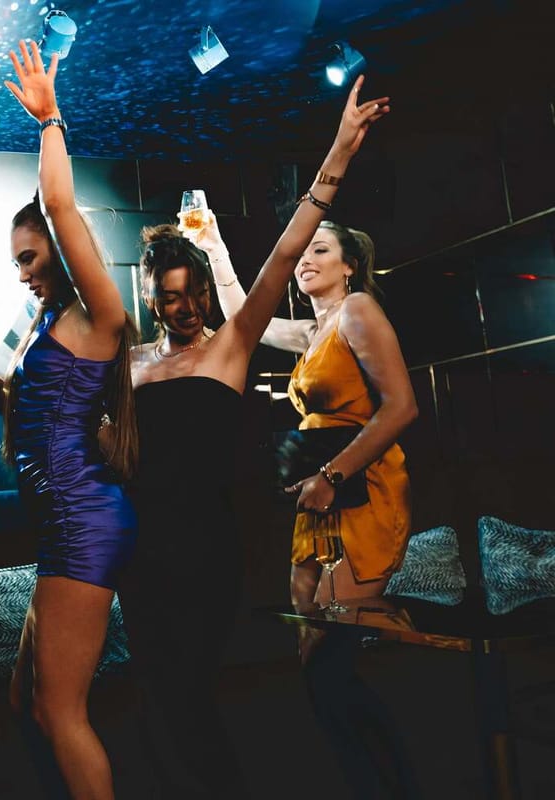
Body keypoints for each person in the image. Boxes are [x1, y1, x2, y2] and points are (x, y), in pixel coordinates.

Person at [115, 75, 390, 799]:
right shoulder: (132, 364)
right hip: (138, 550)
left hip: (206, 550)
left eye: (193, 294)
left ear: (207, 291)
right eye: (169, 297)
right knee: (153, 699)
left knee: (196, 697)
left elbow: (286, 248)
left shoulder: (230, 346)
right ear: (151, 298)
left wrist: (339, 151)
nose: (184, 308)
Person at [195, 79, 419, 798]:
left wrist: (334, 476)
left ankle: (397, 783)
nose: (305, 260)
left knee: (330, 660)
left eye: (319, 249)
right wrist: (214, 245)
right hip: (317, 502)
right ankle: (371, 781)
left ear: (349, 264)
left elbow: (402, 407)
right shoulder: (313, 329)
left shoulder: (357, 311)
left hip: (360, 494)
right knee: (311, 658)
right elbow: (245, 314)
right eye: (302, 253)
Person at [0, 41, 138, 799]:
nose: (22, 272)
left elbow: (59, 206)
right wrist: (0, 390)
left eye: (28, 257)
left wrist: (50, 120)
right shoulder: (54, 323)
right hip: (60, 516)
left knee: (61, 710)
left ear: (59, 250)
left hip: (83, 515)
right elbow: (43, 419)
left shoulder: (97, 313)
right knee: (30, 702)